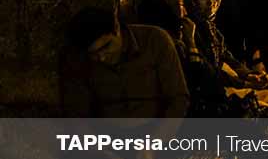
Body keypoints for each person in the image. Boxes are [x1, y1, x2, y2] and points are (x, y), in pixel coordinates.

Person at [60, 7, 188, 119]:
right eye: (93, 54)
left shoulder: (154, 40)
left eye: (106, 47)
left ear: (116, 28)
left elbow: (178, 99)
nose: (102, 58)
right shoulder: (78, 59)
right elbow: (78, 114)